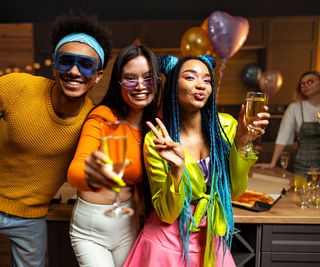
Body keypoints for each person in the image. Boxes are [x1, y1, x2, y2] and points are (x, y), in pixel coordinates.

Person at [0, 11, 112, 266]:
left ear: (99, 75)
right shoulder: (17, 87)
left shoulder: (92, 120)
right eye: (65, 61)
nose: (75, 71)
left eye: (87, 64)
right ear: (54, 63)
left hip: (32, 217)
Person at [124, 55, 270, 267]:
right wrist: (177, 170)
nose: (201, 85)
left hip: (210, 238)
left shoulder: (228, 128)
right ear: (173, 85)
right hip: (167, 242)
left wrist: (240, 144)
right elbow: (167, 214)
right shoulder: (157, 140)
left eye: (207, 80)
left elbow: (235, 193)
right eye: (190, 77)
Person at [67, 44, 162, 267]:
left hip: (128, 225)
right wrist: (92, 176)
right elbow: (75, 171)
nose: (140, 86)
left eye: (148, 78)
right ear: (118, 84)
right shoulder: (103, 117)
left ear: (157, 82)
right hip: (91, 229)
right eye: (130, 79)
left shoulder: (156, 127)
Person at [254, 71, 320, 175]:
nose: (306, 85)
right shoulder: (295, 108)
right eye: (302, 84)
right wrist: (272, 163)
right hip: (302, 166)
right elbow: (282, 137)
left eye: (310, 81)